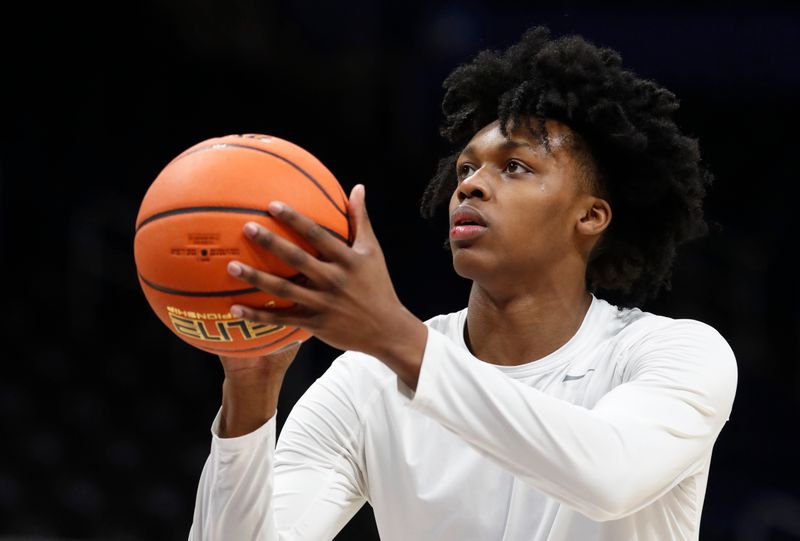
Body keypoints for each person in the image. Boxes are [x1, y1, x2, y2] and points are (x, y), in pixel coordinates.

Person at [189, 26, 737, 540]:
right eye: (465, 170)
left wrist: (394, 336)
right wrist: (251, 389)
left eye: (515, 166)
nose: (472, 185)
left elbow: (610, 478)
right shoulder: (366, 383)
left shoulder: (675, 353)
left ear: (590, 216)